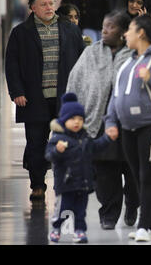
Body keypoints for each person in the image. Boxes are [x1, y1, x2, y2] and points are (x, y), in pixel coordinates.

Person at [105, 14, 151, 242]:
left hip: (150, 125)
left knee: (147, 176)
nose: (124, 33)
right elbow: (116, 94)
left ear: (141, 33)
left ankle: (143, 227)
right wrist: (111, 121)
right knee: (138, 179)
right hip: (127, 127)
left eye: (129, 29)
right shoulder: (128, 60)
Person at [5, 0, 84, 202]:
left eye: (51, 3)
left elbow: (82, 62)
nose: (49, 7)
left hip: (64, 99)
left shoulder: (70, 30)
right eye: (43, 4)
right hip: (34, 98)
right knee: (36, 144)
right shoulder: (21, 33)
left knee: (67, 143)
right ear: (32, 8)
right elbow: (11, 65)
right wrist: (17, 92)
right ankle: (38, 185)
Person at [66, 10, 139, 230]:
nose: (105, 31)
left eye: (111, 27)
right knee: (104, 172)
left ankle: (133, 203)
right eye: (104, 26)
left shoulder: (136, 54)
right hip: (97, 122)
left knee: (133, 171)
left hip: (129, 124)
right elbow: (75, 82)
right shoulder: (91, 53)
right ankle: (109, 212)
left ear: (124, 32)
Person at [46, 93, 116, 243]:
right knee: (63, 210)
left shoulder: (85, 139)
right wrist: (57, 151)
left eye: (80, 119)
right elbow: (50, 156)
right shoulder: (58, 139)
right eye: (72, 119)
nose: (77, 122)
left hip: (83, 183)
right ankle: (56, 228)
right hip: (65, 185)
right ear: (64, 121)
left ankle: (79, 230)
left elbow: (96, 147)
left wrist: (107, 138)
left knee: (80, 211)